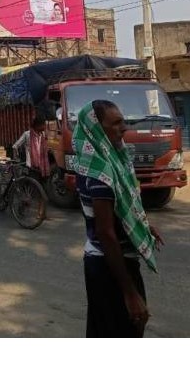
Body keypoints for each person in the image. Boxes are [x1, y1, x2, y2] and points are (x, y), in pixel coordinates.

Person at [73, 99, 164, 338]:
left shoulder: (104, 162)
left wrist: (143, 226)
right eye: (115, 123)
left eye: (123, 121)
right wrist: (130, 293)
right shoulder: (100, 172)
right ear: (96, 130)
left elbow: (119, 211)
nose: (124, 128)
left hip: (103, 262)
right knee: (126, 328)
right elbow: (105, 233)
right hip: (110, 266)